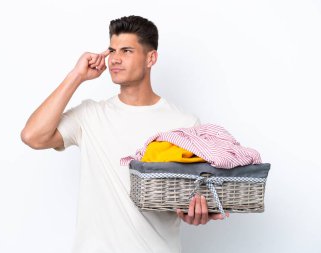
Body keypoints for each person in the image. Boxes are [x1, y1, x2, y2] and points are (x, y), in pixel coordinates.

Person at [21, 15, 228, 253]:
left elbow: (187, 196)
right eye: (112, 50)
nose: (115, 59)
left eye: (127, 51)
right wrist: (76, 76)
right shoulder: (90, 115)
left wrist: (194, 212)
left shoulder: (184, 122)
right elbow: (32, 136)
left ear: (151, 58)